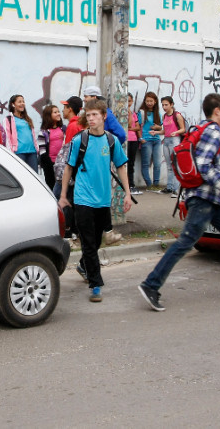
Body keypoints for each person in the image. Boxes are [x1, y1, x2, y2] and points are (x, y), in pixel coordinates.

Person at [137, 93, 220, 311]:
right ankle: (150, 285)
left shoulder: (201, 127)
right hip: (204, 197)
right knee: (185, 242)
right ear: (217, 111)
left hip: (212, 199)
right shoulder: (212, 131)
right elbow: (203, 165)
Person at [58, 99, 131, 303]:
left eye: (94, 115)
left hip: (103, 200)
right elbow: (69, 168)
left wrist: (126, 193)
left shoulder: (111, 141)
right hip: (82, 198)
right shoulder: (79, 140)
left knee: (97, 240)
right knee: (89, 242)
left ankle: (83, 265)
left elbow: (121, 166)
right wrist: (64, 196)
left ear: (103, 116)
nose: (90, 118)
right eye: (88, 115)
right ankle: (96, 284)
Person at [4, 94, 40, 172]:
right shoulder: (8, 119)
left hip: (32, 152)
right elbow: (7, 138)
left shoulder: (27, 119)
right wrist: (10, 153)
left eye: (23, 101)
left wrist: (37, 149)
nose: (22, 103)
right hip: (19, 153)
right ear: (13, 104)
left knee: (34, 177)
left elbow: (33, 136)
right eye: (19, 102)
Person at [138, 91, 164, 191]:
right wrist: (141, 139)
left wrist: (157, 127)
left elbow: (161, 127)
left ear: (155, 102)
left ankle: (156, 184)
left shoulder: (157, 113)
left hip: (156, 140)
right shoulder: (141, 112)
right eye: (147, 101)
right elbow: (138, 126)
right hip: (146, 140)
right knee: (146, 163)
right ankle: (149, 185)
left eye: (151, 101)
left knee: (157, 163)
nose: (149, 103)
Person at [161, 96, 186, 197]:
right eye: (162, 105)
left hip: (175, 139)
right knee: (169, 165)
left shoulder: (177, 115)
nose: (164, 107)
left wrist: (176, 132)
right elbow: (164, 130)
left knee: (175, 164)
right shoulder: (164, 116)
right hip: (166, 140)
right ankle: (169, 187)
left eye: (166, 105)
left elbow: (183, 129)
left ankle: (176, 189)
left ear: (171, 104)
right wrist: (156, 132)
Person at [38, 104, 66, 188]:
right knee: (52, 186)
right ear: (48, 115)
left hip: (62, 163)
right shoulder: (43, 132)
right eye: (55, 112)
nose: (58, 114)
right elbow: (42, 151)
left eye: (58, 112)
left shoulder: (63, 129)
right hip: (50, 165)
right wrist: (49, 164)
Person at [126, 94, 143, 196]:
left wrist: (130, 129)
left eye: (129, 101)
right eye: (126, 101)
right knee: (125, 163)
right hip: (126, 140)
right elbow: (127, 125)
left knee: (131, 163)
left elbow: (137, 127)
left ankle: (131, 184)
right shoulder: (124, 113)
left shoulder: (134, 114)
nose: (128, 103)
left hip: (134, 140)